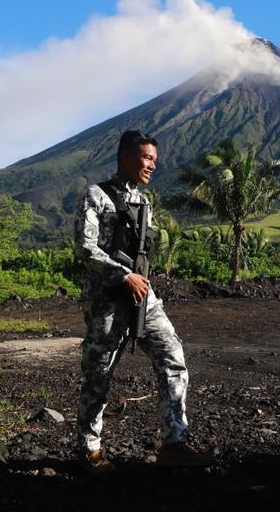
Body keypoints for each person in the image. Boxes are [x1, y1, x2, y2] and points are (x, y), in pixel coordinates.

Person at [74, 130, 214, 472]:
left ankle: (174, 443)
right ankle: (89, 451)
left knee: (173, 357)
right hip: (108, 299)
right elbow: (84, 247)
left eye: (154, 159)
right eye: (146, 158)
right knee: (99, 375)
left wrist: (140, 280)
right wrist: (123, 276)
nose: (152, 165)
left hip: (143, 298)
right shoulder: (97, 195)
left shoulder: (143, 201)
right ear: (125, 157)